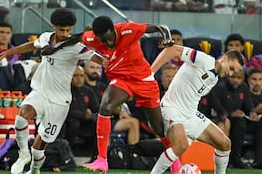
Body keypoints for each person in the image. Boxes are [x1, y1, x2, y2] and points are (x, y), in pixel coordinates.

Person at [0, 8, 104, 174]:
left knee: (40, 146)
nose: (65, 33)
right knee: (21, 117)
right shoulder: (46, 37)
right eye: (62, 30)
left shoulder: (76, 47)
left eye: (68, 30)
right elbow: (33, 45)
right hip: (40, 91)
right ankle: (23, 154)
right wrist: (8, 52)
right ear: (54, 26)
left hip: (59, 101)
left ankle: (34, 169)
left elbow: (101, 60)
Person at [81, 16, 173, 173]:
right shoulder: (91, 37)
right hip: (122, 79)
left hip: (144, 80)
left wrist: (167, 39)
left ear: (114, 30)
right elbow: (76, 38)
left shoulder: (128, 29)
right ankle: (102, 160)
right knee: (105, 107)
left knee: (158, 128)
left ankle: (176, 164)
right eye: (103, 40)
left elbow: (161, 27)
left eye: (109, 38)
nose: (108, 43)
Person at [149, 45, 244, 174]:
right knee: (181, 145)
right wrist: (151, 73)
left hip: (190, 114)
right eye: (231, 68)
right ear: (225, 58)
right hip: (172, 108)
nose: (231, 74)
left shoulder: (214, 78)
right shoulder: (204, 60)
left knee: (225, 144)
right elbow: (172, 50)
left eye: (235, 72)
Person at [210, 69, 262, 169]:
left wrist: (252, 112)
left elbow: (249, 105)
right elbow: (215, 109)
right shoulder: (220, 88)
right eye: (233, 77)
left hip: (242, 118)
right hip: (225, 120)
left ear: (243, 79)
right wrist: (230, 114)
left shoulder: (244, 87)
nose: (235, 80)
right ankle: (235, 159)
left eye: (239, 78)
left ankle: (258, 161)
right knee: (239, 122)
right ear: (227, 77)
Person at [64, 65, 99, 158]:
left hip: (84, 123)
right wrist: (84, 116)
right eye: (75, 75)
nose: (79, 79)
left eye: (81, 75)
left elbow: (97, 109)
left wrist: (92, 116)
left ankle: (96, 156)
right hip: (68, 123)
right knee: (74, 123)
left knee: (98, 124)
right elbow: (66, 111)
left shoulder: (88, 91)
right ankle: (67, 153)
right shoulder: (66, 91)